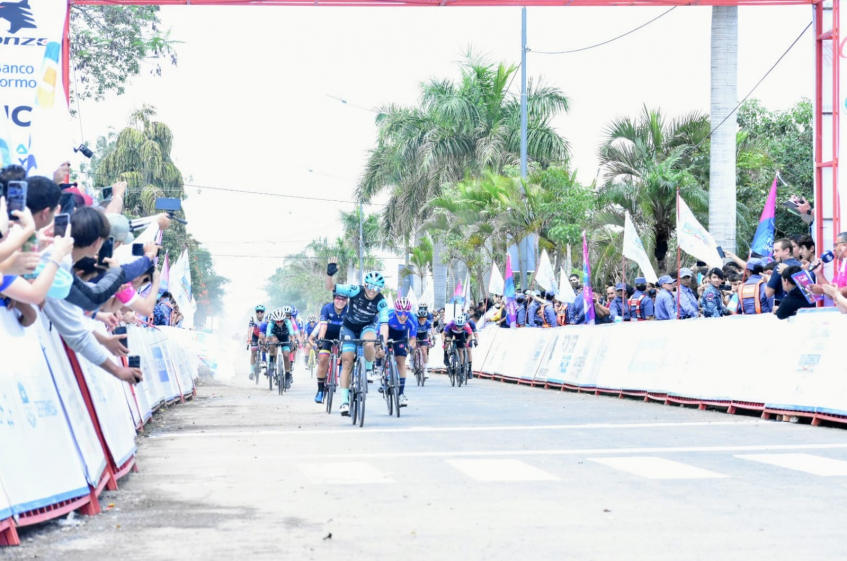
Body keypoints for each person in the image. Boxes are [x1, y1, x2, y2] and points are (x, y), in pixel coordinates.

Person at [325, 257, 389, 417]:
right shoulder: (354, 290)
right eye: (370, 286)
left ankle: (368, 369)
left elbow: (384, 324)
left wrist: (383, 344)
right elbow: (330, 287)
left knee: (369, 343)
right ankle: (344, 401)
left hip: (367, 327)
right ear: (365, 284)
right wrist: (329, 274)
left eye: (377, 288)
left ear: (381, 289)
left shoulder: (381, 302)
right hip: (348, 327)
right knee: (347, 361)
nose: (372, 290)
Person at [311, 291, 348, 403]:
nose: (340, 302)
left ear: (346, 301)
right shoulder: (326, 309)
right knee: (323, 359)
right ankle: (320, 390)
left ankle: (347, 387)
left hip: (343, 335)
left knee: (348, 358)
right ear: (333, 299)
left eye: (343, 299)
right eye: (338, 299)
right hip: (327, 335)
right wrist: (321, 340)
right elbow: (323, 327)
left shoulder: (349, 310)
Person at [382, 297, 416, 406]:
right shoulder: (388, 315)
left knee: (401, 361)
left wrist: (409, 348)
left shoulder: (412, 319)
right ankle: (382, 370)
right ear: (396, 311)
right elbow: (383, 332)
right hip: (388, 332)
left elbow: (412, 339)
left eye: (406, 313)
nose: (403, 316)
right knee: (382, 350)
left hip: (401, 336)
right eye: (400, 312)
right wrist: (383, 344)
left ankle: (401, 394)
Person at [766, 238, 804, 305]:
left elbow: (768, 293)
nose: (774, 254)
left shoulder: (779, 267)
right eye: (773, 251)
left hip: (784, 307)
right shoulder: (802, 266)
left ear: (787, 250)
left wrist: (768, 279)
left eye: (776, 251)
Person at [265, 308, 295, 387]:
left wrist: (293, 344)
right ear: (274, 320)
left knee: (286, 355)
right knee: (273, 340)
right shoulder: (271, 323)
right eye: (277, 321)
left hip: (284, 337)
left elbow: (292, 335)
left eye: (281, 321)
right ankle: (271, 361)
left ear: (284, 319)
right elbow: (267, 336)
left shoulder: (288, 322)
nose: (279, 323)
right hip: (274, 336)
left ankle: (287, 377)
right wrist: (267, 343)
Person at [414, 308, 434, 379]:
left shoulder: (428, 322)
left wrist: (431, 338)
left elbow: (430, 332)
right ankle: (412, 361)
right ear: (418, 318)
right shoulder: (415, 322)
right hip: (415, 335)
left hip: (423, 335)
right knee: (413, 348)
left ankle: (425, 370)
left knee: (424, 351)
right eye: (420, 318)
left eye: (424, 319)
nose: (422, 320)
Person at [247, 304, 267, 379]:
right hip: (255, 335)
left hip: (264, 335)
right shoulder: (253, 319)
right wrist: (249, 339)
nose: (259, 313)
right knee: (253, 352)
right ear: (255, 312)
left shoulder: (266, 318)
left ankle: (265, 362)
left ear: (264, 312)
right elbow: (249, 329)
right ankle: (251, 372)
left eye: (261, 311)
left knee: (265, 347)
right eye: (257, 311)